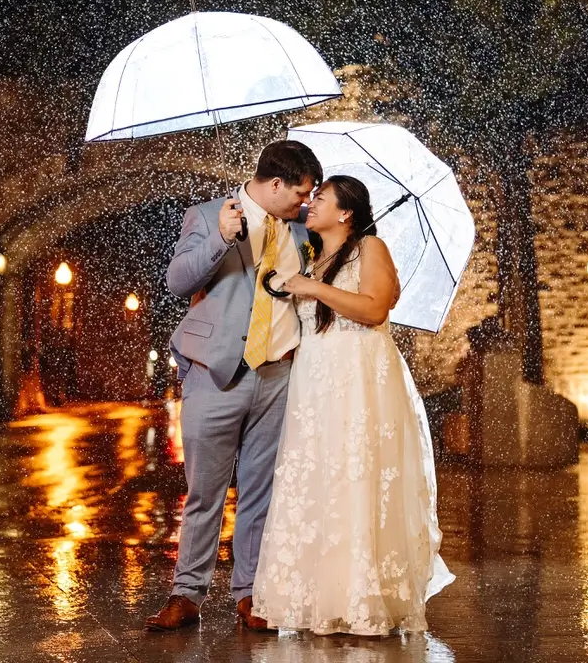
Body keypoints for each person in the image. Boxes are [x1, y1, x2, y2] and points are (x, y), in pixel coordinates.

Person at [252, 174, 454, 636]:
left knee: (358, 475)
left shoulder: (370, 249)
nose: (311, 203)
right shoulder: (314, 255)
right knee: (321, 478)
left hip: (358, 378)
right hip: (315, 381)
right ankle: (323, 596)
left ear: (346, 213)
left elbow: (373, 309)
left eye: (320, 198)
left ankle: (364, 595)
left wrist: (313, 288)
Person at [144, 140, 322, 632]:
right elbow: (178, 281)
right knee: (205, 491)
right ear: (275, 184)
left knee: (260, 491)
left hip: (278, 373)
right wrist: (221, 238)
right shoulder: (207, 215)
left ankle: (250, 595)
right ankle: (187, 594)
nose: (304, 202)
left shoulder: (305, 231)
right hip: (215, 373)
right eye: (300, 193)